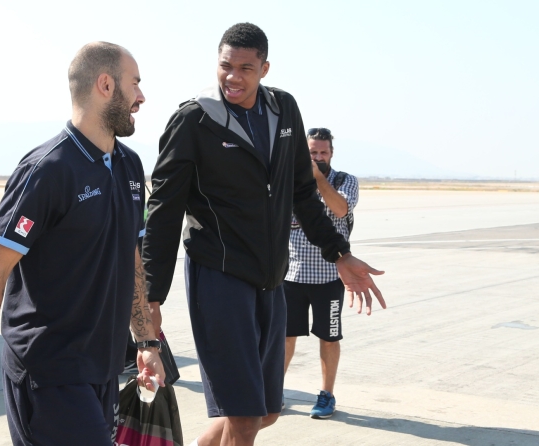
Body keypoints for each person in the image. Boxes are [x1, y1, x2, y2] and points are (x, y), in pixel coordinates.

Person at [142, 23, 386, 446]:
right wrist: (152, 296)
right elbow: (163, 211)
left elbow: (302, 192)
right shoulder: (194, 120)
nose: (233, 77)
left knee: (267, 410)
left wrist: (339, 253)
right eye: (226, 66)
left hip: (271, 279)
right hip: (219, 276)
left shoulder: (283, 110)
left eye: (246, 68)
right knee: (245, 415)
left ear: (264, 69)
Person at [0, 42, 164, 446]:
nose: (141, 96)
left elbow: (130, 258)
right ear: (105, 85)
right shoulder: (47, 170)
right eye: (135, 84)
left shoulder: (129, 165)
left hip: (103, 368)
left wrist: (145, 342)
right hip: (49, 370)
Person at [283, 127, 360, 419]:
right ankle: (274, 391)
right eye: (312, 152)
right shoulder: (290, 181)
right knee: (284, 338)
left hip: (329, 278)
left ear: (331, 153)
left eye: (323, 152)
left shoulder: (344, 181)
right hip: (291, 276)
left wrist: (317, 179)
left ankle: (327, 395)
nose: (318, 157)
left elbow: (340, 209)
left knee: (329, 337)